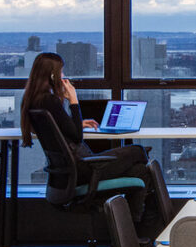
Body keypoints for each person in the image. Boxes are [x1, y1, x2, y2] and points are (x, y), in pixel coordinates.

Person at [20, 53, 168, 235]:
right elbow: (76, 136)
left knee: (141, 172)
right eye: (61, 72)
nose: (63, 76)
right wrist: (74, 101)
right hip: (84, 169)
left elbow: (57, 129)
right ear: (52, 75)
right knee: (137, 151)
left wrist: (74, 122)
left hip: (69, 173)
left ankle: (133, 233)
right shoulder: (49, 100)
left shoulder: (35, 100)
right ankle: (140, 232)